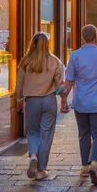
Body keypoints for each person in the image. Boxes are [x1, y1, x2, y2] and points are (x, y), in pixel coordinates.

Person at [61, 24, 97, 185]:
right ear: (96, 36)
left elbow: (69, 81)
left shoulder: (75, 55)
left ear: (82, 37)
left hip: (81, 102)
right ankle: (94, 163)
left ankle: (85, 166)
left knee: (83, 134)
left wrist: (64, 99)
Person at [15, 32, 64, 180]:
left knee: (33, 131)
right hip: (49, 100)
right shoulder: (55, 61)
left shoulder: (25, 61)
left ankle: (33, 155)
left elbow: (19, 84)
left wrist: (18, 99)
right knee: (46, 134)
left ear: (32, 44)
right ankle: (41, 169)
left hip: (31, 101)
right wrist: (64, 98)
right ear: (47, 44)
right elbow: (60, 85)